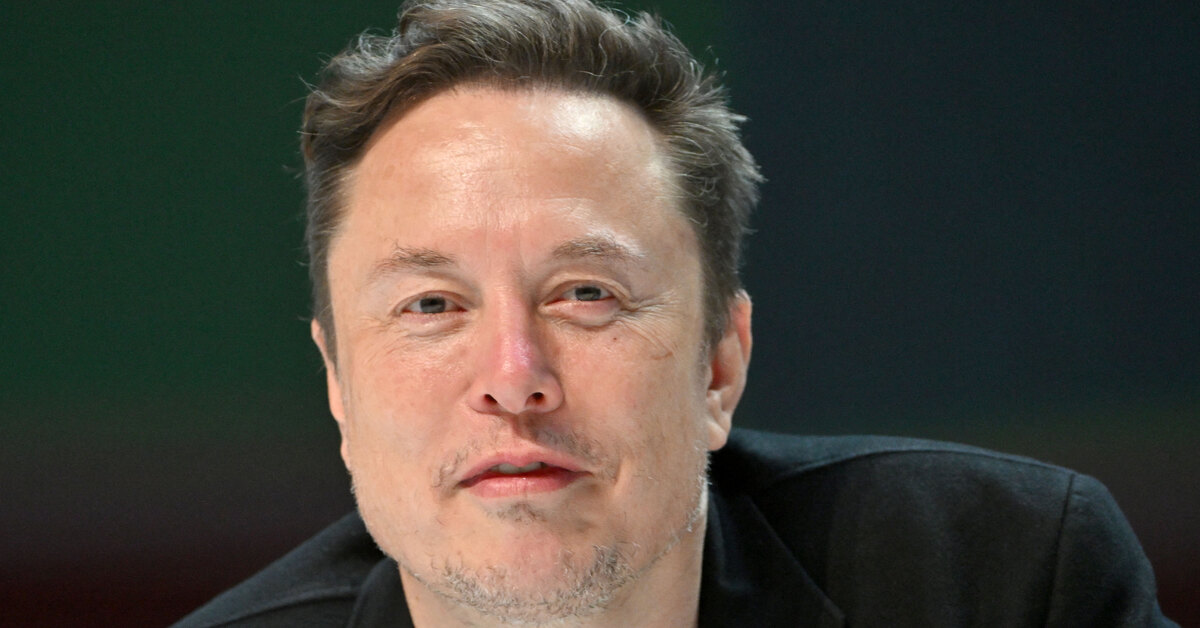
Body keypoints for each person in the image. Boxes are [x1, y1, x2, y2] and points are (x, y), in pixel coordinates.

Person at [175, 1, 1177, 626]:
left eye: (587, 294)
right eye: (431, 304)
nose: (514, 376)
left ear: (719, 367)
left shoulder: (1005, 582)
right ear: (338, 386)